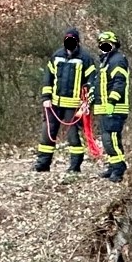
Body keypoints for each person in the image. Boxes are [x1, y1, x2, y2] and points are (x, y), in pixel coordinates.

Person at [35, 28, 96, 175]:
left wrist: (85, 103)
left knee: (73, 136)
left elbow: (92, 81)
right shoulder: (56, 56)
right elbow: (48, 78)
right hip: (54, 103)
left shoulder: (85, 59)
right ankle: (42, 164)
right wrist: (46, 98)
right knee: (47, 133)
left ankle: (75, 165)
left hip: (74, 105)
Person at [94, 30, 129, 183]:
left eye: (107, 44)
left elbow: (119, 82)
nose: (104, 47)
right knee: (107, 140)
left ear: (114, 44)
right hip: (104, 107)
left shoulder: (117, 60)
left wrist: (112, 102)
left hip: (115, 108)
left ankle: (119, 169)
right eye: (102, 44)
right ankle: (113, 166)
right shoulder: (105, 62)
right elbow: (101, 85)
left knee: (111, 139)